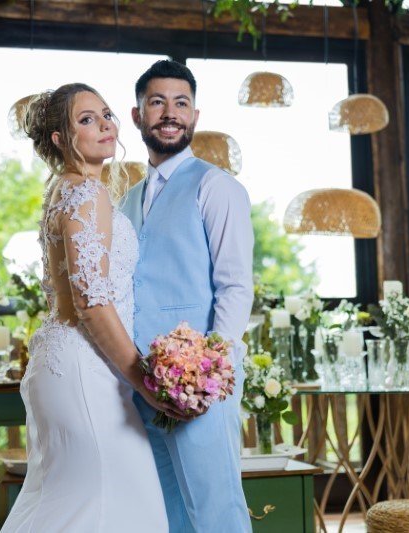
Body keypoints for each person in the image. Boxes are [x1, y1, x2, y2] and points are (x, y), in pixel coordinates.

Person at [1, 82, 176, 532]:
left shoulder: (64, 190)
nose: (104, 124)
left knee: (69, 505)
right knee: (113, 506)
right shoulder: (86, 193)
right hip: (84, 371)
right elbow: (92, 302)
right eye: (86, 119)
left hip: (65, 364)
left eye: (106, 114)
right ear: (61, 139)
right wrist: (145, 381)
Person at [120, 60, 255, 533]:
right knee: (164, 515)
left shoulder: (218, 187)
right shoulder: (127, 200)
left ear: (195, 116)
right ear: (138, 116)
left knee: (216, 511)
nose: (170, 113)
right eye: (157, 102)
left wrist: (211, 370)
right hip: (140, 382)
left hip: (200, 385)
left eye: (181, 103)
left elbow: (235, 286)